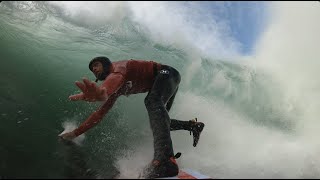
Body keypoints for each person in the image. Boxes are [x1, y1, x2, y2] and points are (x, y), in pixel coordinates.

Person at [59, 57, 205, 179]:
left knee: (152, 102)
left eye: (96, 65)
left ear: (106, 63)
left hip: (167, 73)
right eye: (92, 69)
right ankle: (192, 126)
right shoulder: (117, 88)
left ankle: (165, 160)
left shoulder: (119, 68)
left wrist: (104, 92)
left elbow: (115, 78)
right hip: (167, 79)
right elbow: (99, 115)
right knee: (160, 121)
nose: (94, 70)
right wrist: (74, 134)